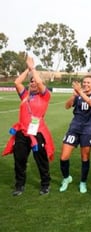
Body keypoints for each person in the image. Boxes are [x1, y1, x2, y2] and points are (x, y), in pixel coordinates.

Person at [2, 56, 54, 196]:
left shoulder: (45, 96)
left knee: (41, 160)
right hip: (22, 132)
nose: (33, 83)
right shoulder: (25, 95)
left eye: (35, 82)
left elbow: (39, 81)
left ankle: (45, 184)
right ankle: (19, 185)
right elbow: (17, 82)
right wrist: (28, 69)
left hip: (37, 133)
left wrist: (34, 69)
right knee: (19, 160)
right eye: (31, 82)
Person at [59, 74, 91, 193]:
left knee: (85, 158)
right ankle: (66, 178)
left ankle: (83, 182)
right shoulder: (78, 95)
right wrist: (74, 95)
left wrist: (80, 93)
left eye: (89, 82)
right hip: (74, 128)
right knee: (64, 157)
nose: (86, 84)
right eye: (84, 82)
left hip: (87, 130)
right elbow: (67, 106)